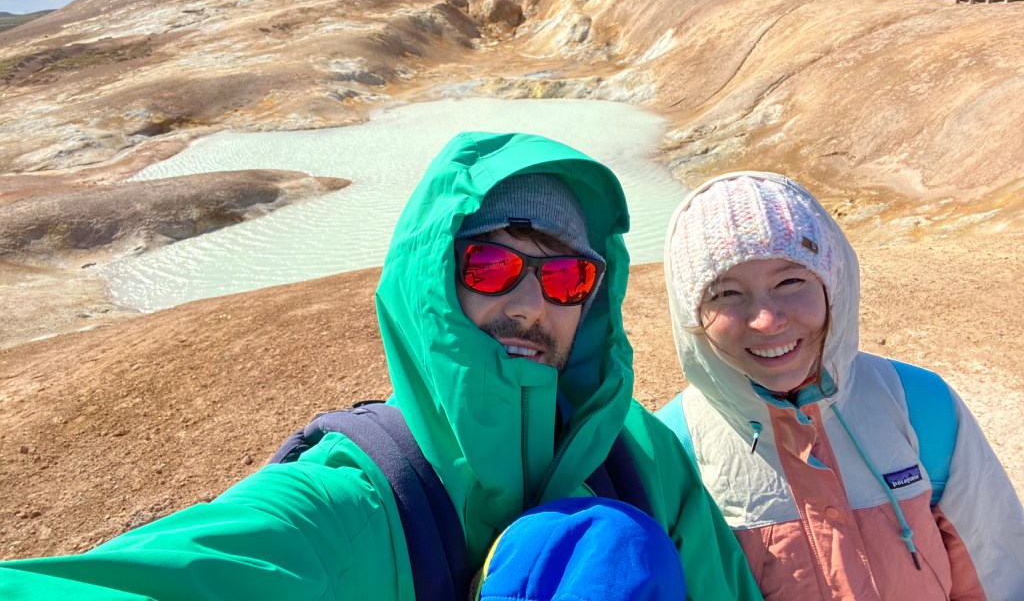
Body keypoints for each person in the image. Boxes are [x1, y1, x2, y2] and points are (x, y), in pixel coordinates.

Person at [0, 131, 761, 600]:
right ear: (432, 281)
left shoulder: (640, 456)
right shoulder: (348, 506)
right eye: (492, 266)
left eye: (566, 277)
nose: (532, 304)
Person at [656, 171, 1024, 600]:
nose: (767, 320)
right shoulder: (671, 449)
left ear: (832, 283)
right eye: (725, 294)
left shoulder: (921, 405)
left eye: (790, 281)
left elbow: (998, 574)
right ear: (691, 312)